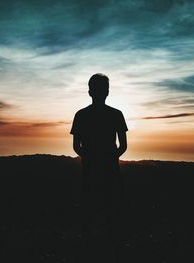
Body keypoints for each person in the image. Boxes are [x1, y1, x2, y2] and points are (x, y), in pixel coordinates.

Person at [70, 73, 128, 262]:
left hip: (90, 171)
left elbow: (76, 147)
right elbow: (123, 146)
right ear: (107, 92)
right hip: (109, 170)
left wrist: (90, 158)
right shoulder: (116, 114)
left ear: (90, 91)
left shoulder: (81, 115)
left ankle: (87, 250)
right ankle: (114, 250)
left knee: (89, 212)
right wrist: (110, 158)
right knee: (112, 212)